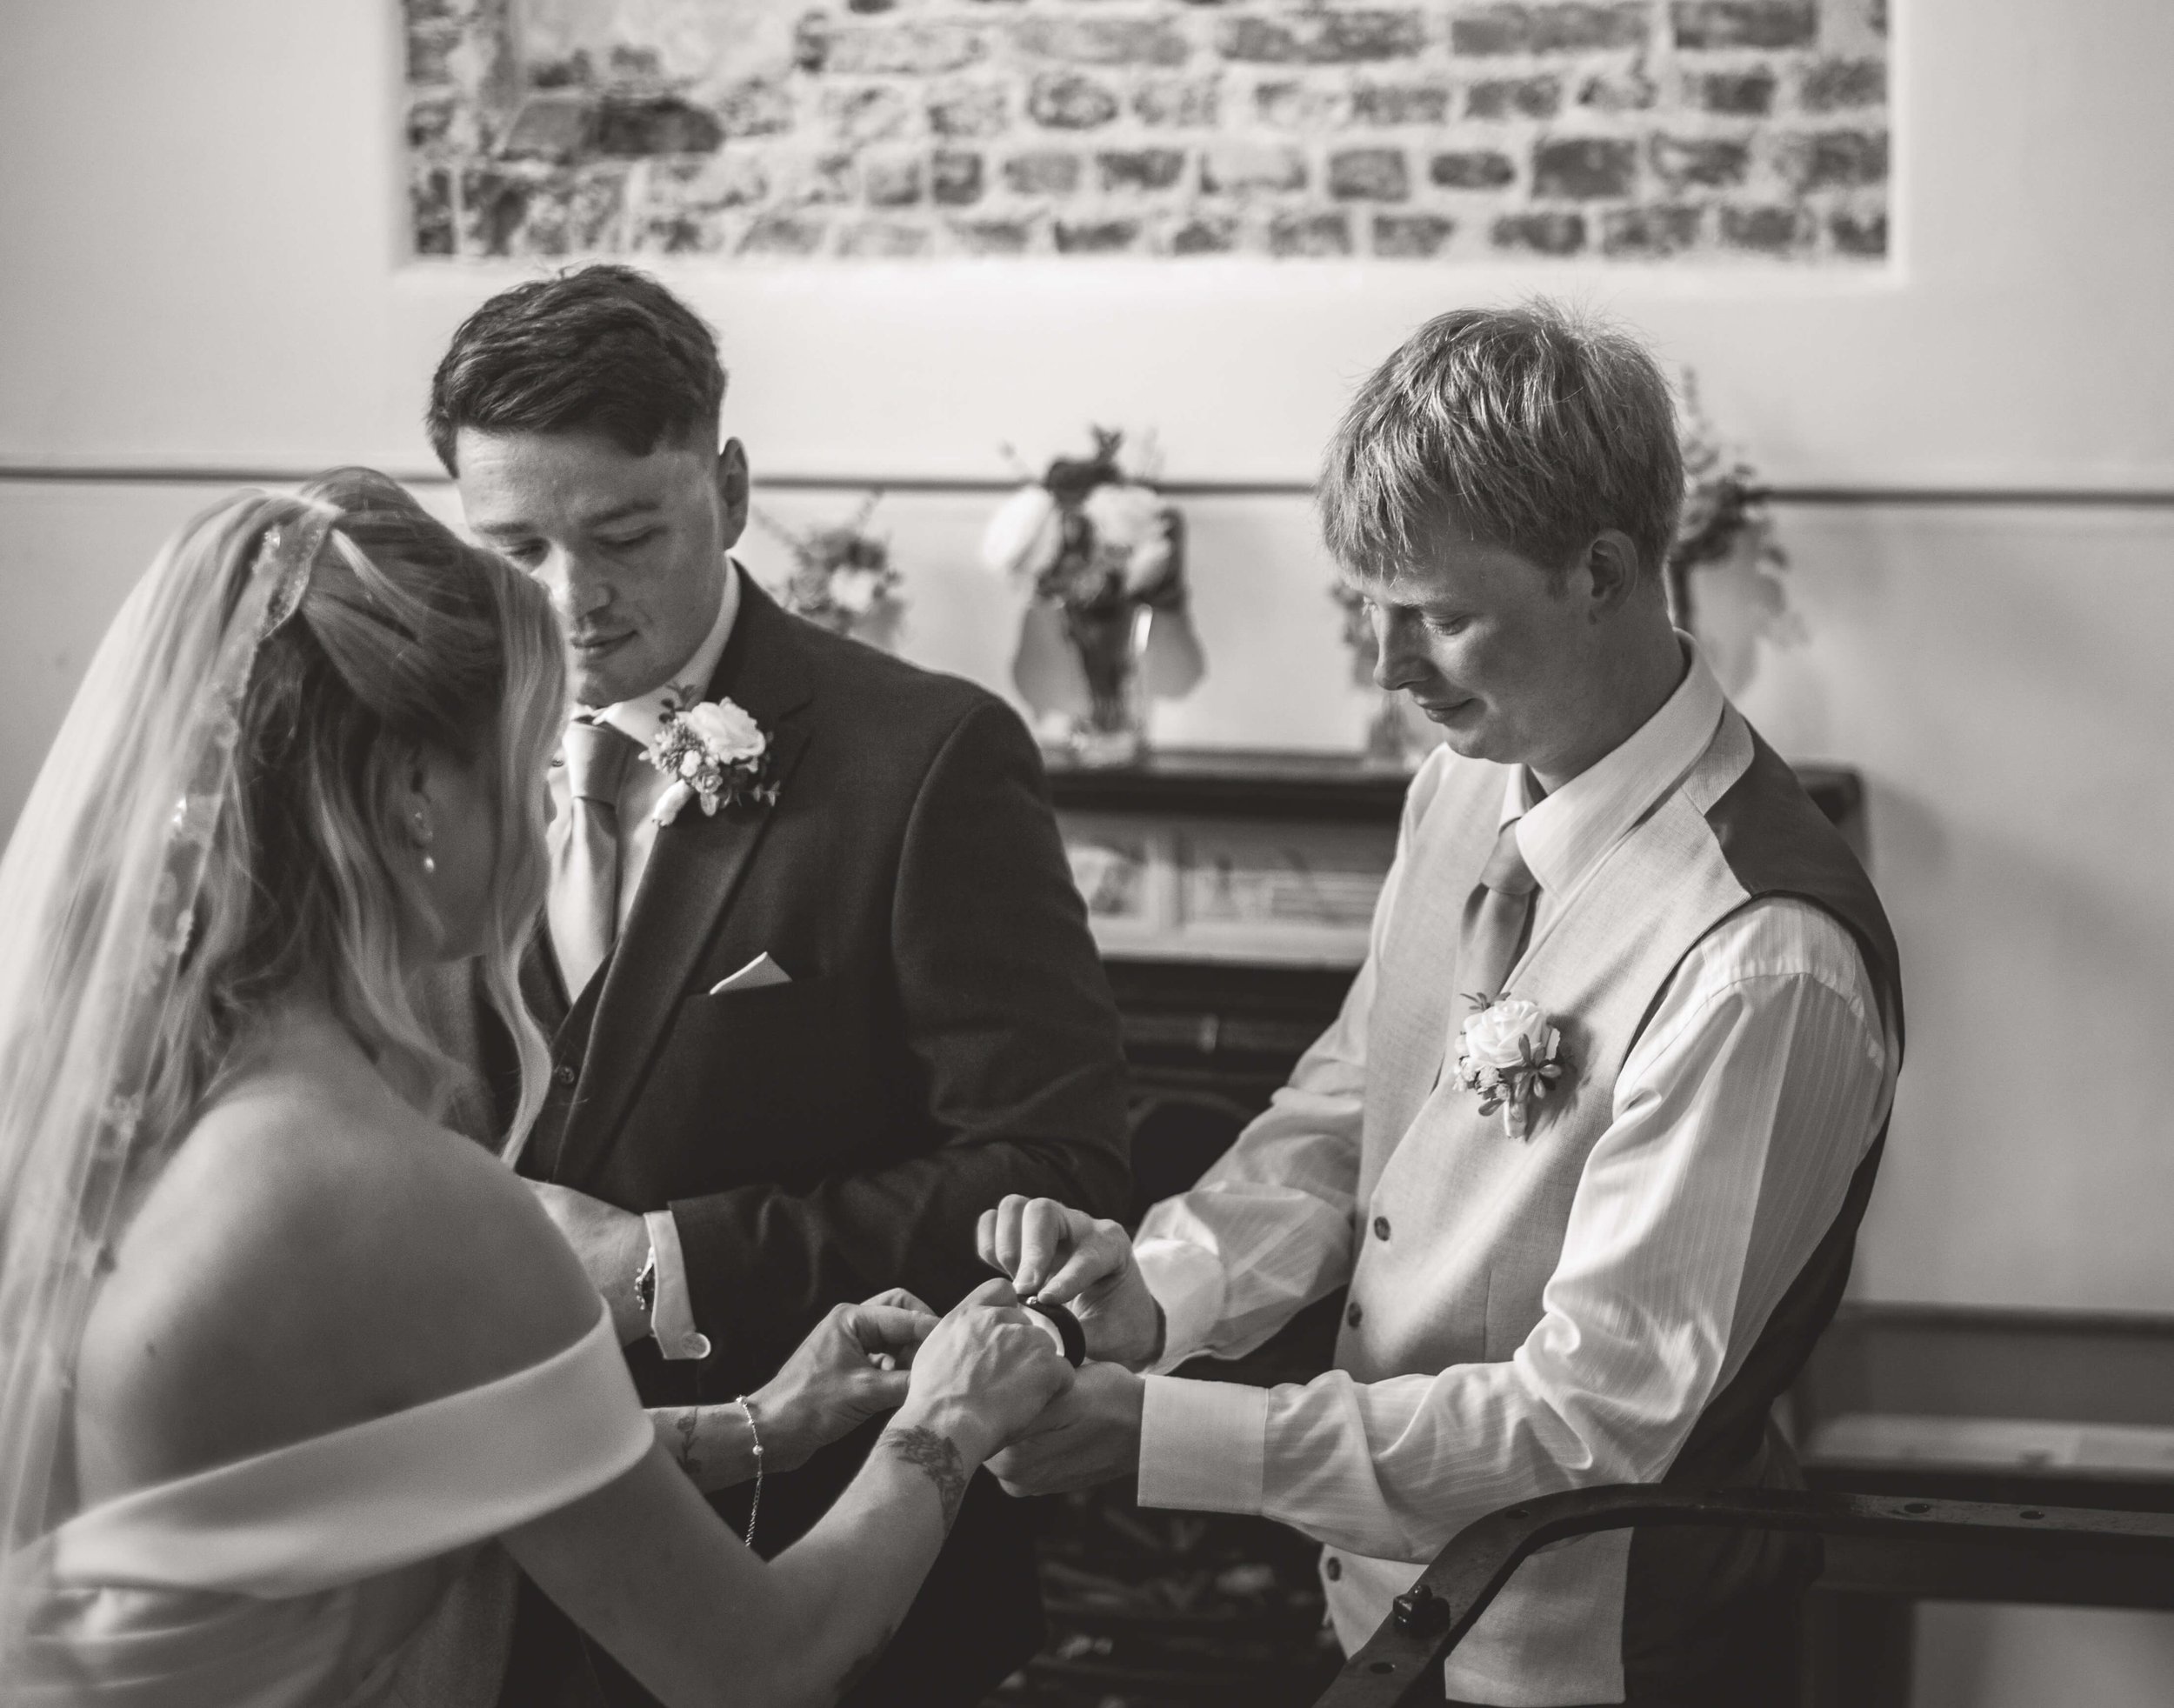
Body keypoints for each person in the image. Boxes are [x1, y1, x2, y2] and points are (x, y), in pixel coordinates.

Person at [0, 474, 1076, 1707]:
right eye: (520, 764)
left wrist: (766, 1423)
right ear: (415, 796)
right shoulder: (401, 1197)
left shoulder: (125, 1106)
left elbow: (381, 1484)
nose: (543, 807)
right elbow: (764, 1661)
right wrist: (948, 1416)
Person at [975, 304, 1905, 1707]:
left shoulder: (1761, 953)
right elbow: (1354, 1109)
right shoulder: (1464, 783)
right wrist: (1155, 1300)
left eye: (1442, 617)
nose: (1390, 668)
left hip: (1603, 1658)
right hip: (1386, 1611)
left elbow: (1592, 1429)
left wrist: (1169, 1438)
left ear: (1602, 571)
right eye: (1369, 609)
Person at [422, 264, 1130, 1708]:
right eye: (515, 548)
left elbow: (1056, 1162)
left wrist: (667, 1264)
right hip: (479, 1558)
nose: (573, 602)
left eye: (625, 536)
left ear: (729, 490)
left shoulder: (925, 761)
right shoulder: (413, 755)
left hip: (821, 1557)